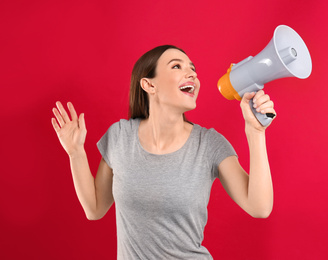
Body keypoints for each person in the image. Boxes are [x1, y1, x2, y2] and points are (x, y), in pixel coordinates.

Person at [51, 45, 276, 259]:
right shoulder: (120, 136)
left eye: (193, 69)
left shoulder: (208, 144)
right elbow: (95, 208)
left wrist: (255, 132)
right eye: (177, 66)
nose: (192, 74)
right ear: (149, 85)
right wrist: (75, 152)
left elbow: (260, 207)